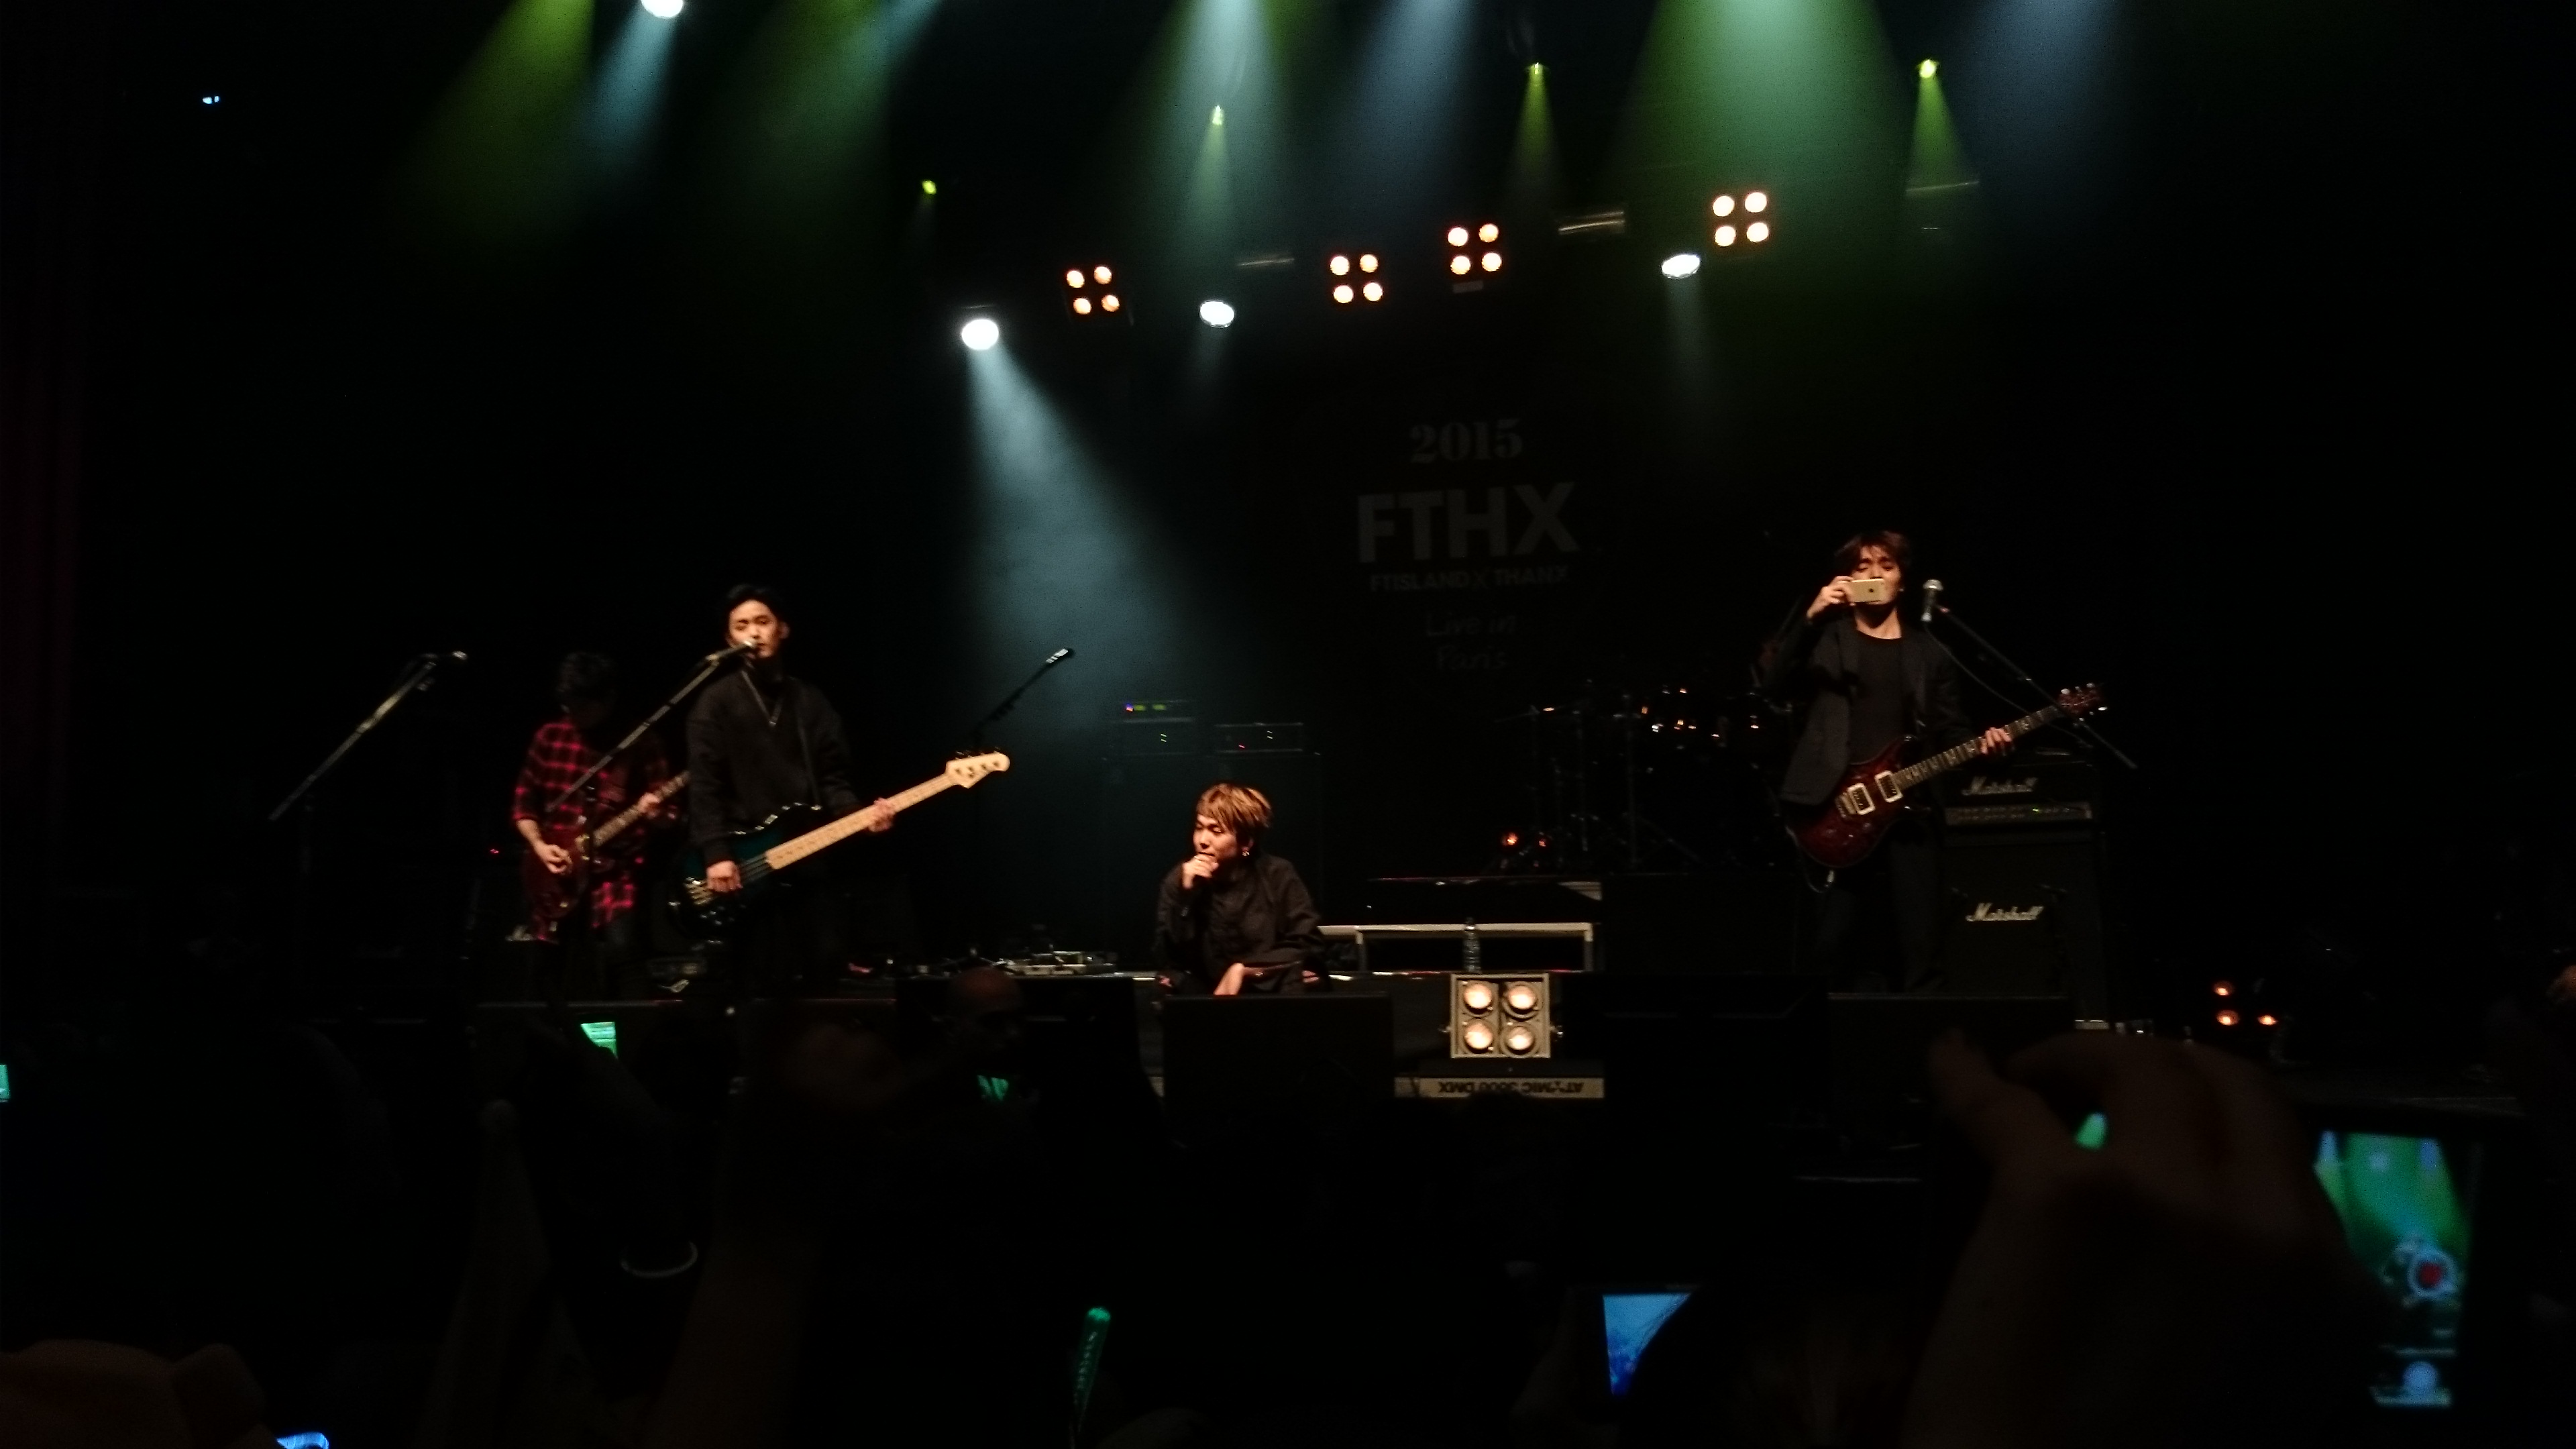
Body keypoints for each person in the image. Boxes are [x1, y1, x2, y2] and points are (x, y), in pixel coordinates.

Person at [1760, 531, 2012, 991]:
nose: (1875, 573)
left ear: (1902, 580)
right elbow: (1774, 686)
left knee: (1922, 947)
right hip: (1835, 808)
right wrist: (1812, 618)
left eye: (1886, 565)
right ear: (1847, 579)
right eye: (1863, 567)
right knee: (1830, 946)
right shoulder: (1827, 639)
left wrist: (1986, 748)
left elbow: (1951, 732)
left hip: (1908, 809)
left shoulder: (1930, 653)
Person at [685, 585, 890, 996]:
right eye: (741, 626)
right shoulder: (714, 702)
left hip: (807, 855)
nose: (753, 633)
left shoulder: (810, 702)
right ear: (729, 639)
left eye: (763, 622)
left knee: (823, 965)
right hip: (747, 862)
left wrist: (859, 816)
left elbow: (833, 779)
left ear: (783, 629)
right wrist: (717, 854)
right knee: (760, 977)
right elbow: (705, 785)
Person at [511, 652, 679, 1001]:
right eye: (567, 704)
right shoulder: (550, 737)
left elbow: (670, 817)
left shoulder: (640, 741)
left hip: (613, 872)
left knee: (624, 953)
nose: (571, 713)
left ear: (608, 700)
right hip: (554, 872)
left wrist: (656, 814)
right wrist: (540, 846)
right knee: (543, 968)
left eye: (582, 706)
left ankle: (630, 1033)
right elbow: (524, 804)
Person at [1153, 782, 1323, 996]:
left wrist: (1244, 969)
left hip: (1264, 981)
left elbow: (1308, 942)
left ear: (1246, 842)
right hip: (1205, 987)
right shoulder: (1180, 878)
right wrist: (1185, 898)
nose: (1202, 841)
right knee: (1166, 984)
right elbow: (1166, 956)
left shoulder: (1277, 875)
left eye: (1216, 831)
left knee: (1306, 978)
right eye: (1199, 828)